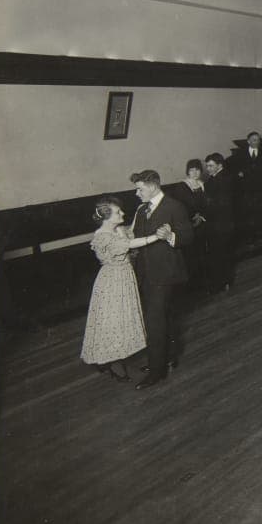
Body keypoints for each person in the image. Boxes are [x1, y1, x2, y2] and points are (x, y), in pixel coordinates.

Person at [81, 196, 161, 382]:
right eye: (118, 212)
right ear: (107, 217)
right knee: (112, 320)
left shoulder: (118, 229)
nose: (122, 213)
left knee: (122, 319)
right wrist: (157, 236)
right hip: (112, 281)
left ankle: (116, 356)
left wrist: (140, 211)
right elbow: (129, 244)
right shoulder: (102, 236)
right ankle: (111, 361)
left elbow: (131, 231)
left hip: (125, 277)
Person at [129, 169, 194, 390]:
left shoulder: (174, 206)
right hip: (146, 272)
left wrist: (171, 236)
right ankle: (168, 357)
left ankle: (156, 371)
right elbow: (136, 236)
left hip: (166, 272)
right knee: (164, 316)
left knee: (155, 320)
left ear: (152, 186)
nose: (137, 193)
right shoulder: (141, 209)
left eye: (140, 189)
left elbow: (188, 236)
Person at [171, 159, 209, 291]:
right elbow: (182, 207)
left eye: (197, 170)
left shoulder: (203, 185)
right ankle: (193, 286)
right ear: (187, 172)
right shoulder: (182, 186)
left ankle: (204, 283)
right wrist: (194, 216)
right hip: (189, 224)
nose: (195, 173)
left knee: (204, 253)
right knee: (192, 255)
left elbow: (208, 204)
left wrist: (202, 216)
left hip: (203, 222)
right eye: (192, 170)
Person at [202, 152, 235, 293]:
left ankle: (222, 283)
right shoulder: (215, 179)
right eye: (207, 166)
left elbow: (221, 204)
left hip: (220, 224)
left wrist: (204, 213)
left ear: (219, 165)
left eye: (211, 166)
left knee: (220, 254)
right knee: (221, 253)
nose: (208, 168)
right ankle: (224, 281)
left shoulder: (222, 180)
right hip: (220, 223)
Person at [233, 131, 262, 247]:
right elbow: (235, 168)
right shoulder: (240, 154)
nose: (257, 142)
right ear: (248, 141)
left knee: (259, 214)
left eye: (258, 140)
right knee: (248, 215)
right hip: (246, 191)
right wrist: (239, 174)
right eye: (254, 140)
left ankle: (259, 237)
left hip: (260, 190)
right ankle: (248, 238)